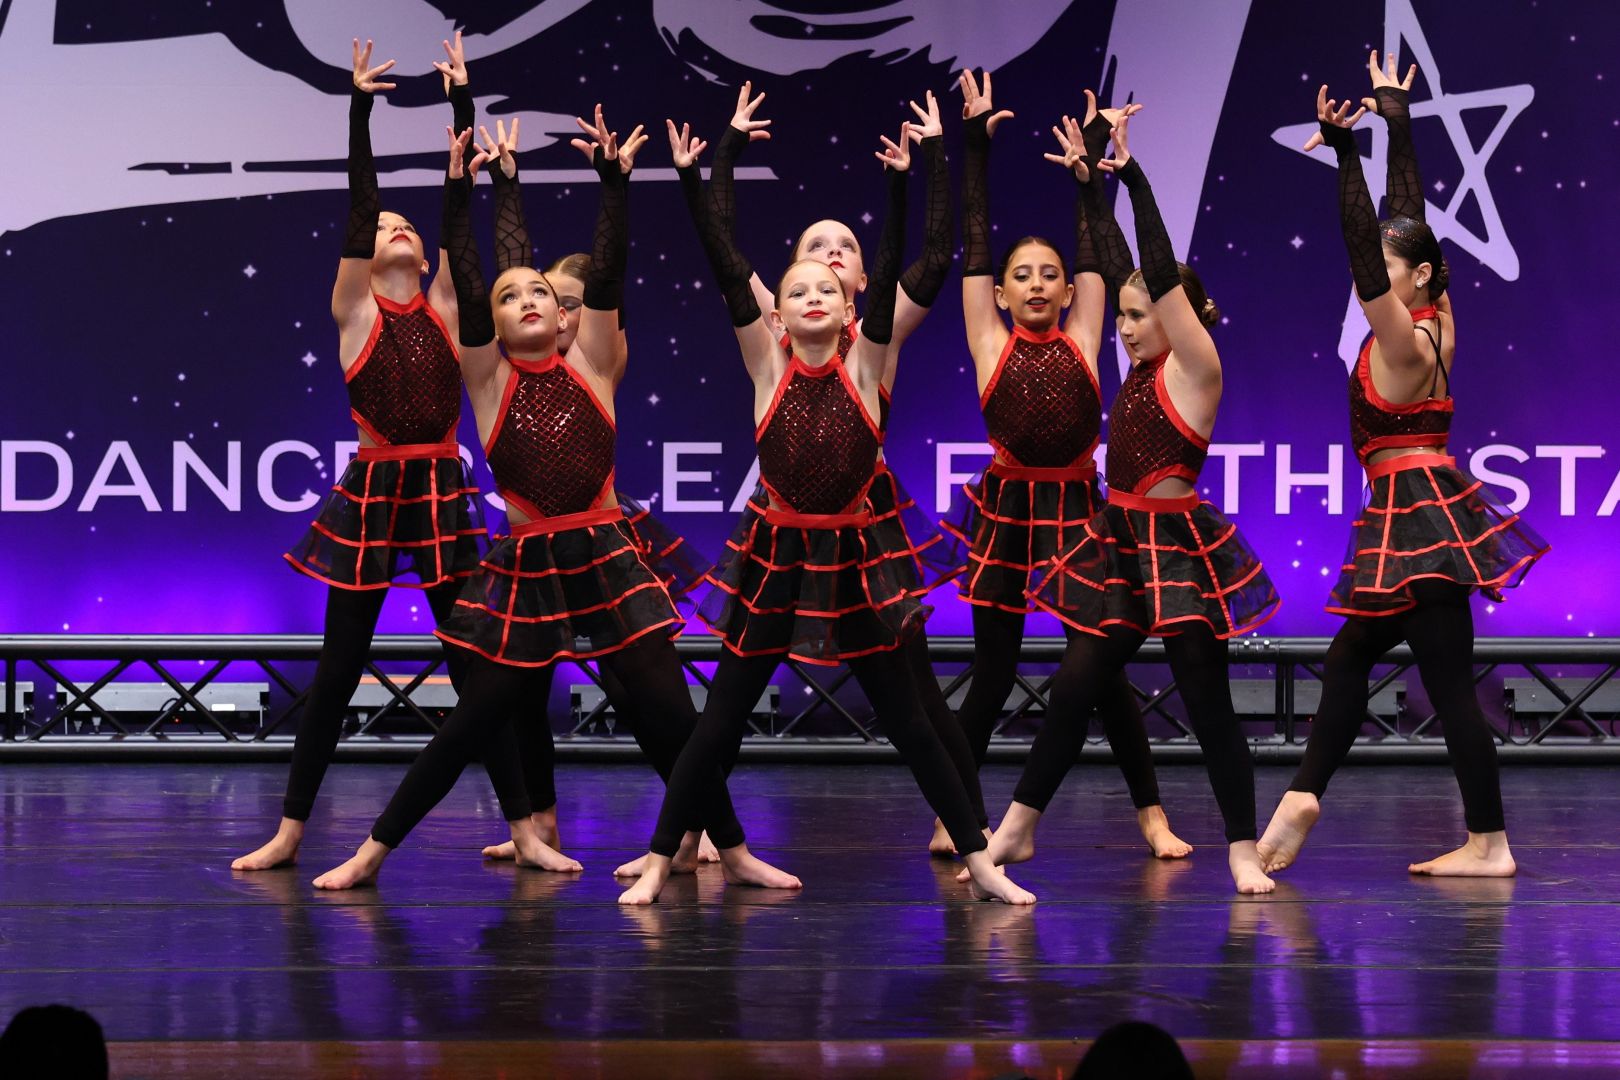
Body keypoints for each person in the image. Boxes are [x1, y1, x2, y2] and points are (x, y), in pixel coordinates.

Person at [614, 113, 1036, 906]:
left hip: (855, 559)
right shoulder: (766, 364)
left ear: (852, 311)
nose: (817, 291)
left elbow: (911, 260)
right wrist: (706, 167)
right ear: (776, 313)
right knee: (721, 718)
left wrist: (905, 180)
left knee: (911, 721)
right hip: (776, 559)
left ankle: (981, 862)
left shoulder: (869, 359)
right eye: (799, 286)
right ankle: (664, 856)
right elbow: (724, 258)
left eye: (830, 287)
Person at [312, 107, 736, 888]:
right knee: (474, 717)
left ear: (567, 314)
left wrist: (614, 184)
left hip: (605, 555)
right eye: (513, 300)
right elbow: (476, 273)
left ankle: (726, 847)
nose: (531, 301)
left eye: (543, 293)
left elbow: (606, 274)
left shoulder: (594, 360)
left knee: (671, 713)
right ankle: (374, 853)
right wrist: (472, 183)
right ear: (490, 328)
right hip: (530, 566)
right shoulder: (486, 375)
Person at [233, 35, 534, 872]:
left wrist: (462, 106)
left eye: (406, 226)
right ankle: (291, 831)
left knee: (472, 663)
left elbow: (459, 218)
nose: (393, 229)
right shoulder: (355, 309)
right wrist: (359, 111)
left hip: (439, 485)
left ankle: (523, 829)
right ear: (365, 255)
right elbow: (360, 201)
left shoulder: (446, 303)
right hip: (374, 485)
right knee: (338, 668)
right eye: (382, 228)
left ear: (425, 256)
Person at [1257, 54, 1547, 878]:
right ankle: (1308, 795)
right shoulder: (1437, 313)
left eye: (1389, 272)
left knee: (1445, 685)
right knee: (1358, 659)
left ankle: (1486, 842)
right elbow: (1404, 222)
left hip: (1414, 513)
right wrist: (1395, 117)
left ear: (1416, 277)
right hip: (1423, 508)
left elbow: (1369, 247)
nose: (1371, 281)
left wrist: (1347, 152)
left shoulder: (1403, 339)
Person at [980, 106, 1281, 895]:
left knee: (1208, 702)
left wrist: (1133, 176)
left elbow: (1154, 268)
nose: (1124, 328)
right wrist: (1090, 189)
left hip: (1174, 548)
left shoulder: (1195, 367)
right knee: (1076, 683)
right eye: (1120, 316)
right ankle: (1018, 825)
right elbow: (1124, 270)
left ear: (1181, 318)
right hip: (1117, 540)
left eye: (1139, 317)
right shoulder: (1143, 370)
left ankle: (1242, 848)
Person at [704, 84, 985, 856]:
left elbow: (933, 256)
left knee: (914, 686)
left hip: (865, 520)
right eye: (816, 247)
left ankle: (970, 826)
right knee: (737, 682)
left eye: (846, 250)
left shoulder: (878, 334)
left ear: (862, 282)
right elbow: (723, 251)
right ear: (788, 284)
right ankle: (694, 830)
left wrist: (933, 161)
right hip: (785, 518)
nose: (831, 254)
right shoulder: (777, 328)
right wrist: (724, 152)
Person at [943, 71, 1192, 860]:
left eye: (1049, 274)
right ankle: (957, 815)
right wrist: (974, 148)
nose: (1038, 284)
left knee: (1103, 673)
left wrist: (1090, 162)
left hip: (1080, 509)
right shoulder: (990, 338)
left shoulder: (1085, 334)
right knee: (992, 671)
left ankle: (1152, 816)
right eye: (1022, 275)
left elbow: (1094, 250)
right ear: (1001, 293)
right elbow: (974, 238)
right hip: (1007, 510)